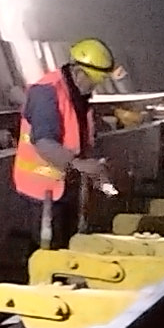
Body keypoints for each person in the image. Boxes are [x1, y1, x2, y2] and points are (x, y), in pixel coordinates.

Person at [15, 33, 124, 250]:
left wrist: (105, 183)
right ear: (78, 72)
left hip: (66, 189)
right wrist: (79, 164)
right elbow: (44, 142)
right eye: (94, 81)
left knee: (67, 249)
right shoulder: (47, 92)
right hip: (42, 192)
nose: (95, 87)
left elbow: (81, 142)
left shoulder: (79, 97)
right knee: (47, 254)